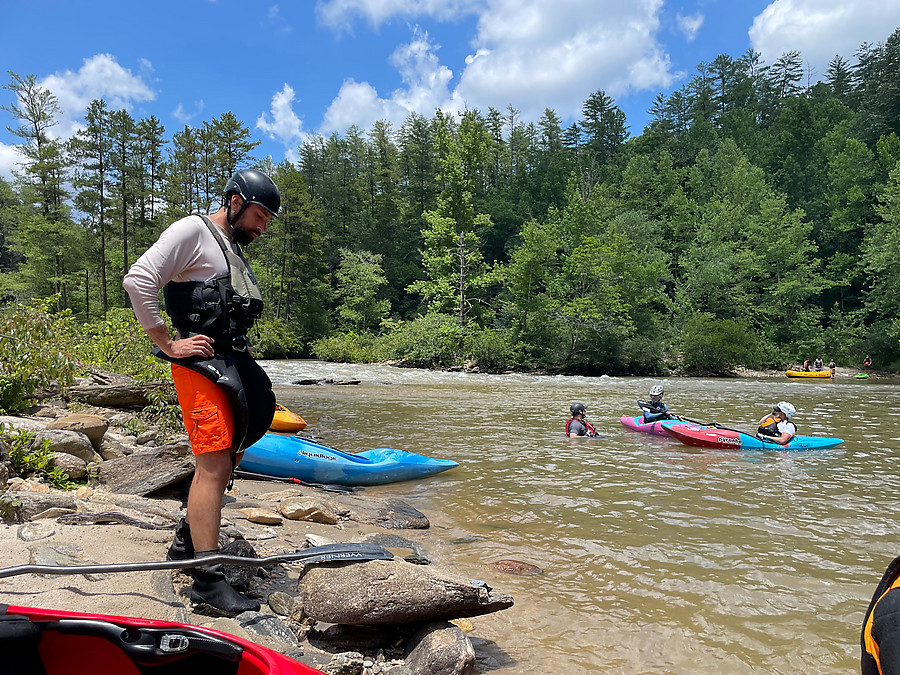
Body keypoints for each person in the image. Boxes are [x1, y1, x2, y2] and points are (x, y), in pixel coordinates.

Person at [123, 169, 280, 614]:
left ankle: (182, 546)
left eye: (267, 220)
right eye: (259, 215)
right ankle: (207, 582)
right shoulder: (193, 229)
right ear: (234, 201)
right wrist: (167, 344)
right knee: (212, 464)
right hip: (199, 364)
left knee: (229, 456)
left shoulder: (229, 246)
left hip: (229, 361)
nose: (262, 226)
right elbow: (139, 279)